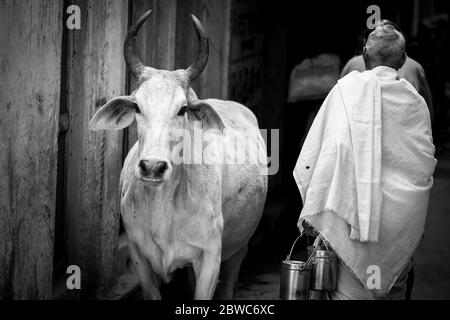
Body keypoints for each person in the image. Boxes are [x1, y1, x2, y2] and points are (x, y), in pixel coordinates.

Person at [294, 25, 436, 299]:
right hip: (399, 223)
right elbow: (422, 163)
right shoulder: (414, 103)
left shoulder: (343, 92)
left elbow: (318, 153)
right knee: (392, 288)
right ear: (404, 59)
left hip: (344, 225)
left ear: (363, 55)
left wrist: (318, 203)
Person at [340, 20, 434, 122]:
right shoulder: (415, 98)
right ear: (403, 59)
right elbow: (427, 118)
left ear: (364, 53)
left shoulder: (346, 83)